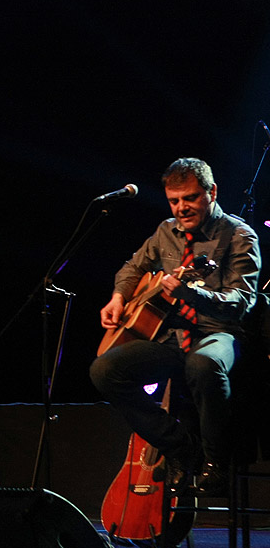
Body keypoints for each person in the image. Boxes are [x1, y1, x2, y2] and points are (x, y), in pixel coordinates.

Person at [90, 158, 261, 495]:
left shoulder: (239, 235)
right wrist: (118, 297)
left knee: (204, 362)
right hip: (171, 337)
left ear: (211, 193)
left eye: (191, 198)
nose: (182, 208)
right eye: (174, 200)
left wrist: (192, 293)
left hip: (219, 333)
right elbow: (131, 267)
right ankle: (182, 447)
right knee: (105, 370)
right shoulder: (166, 232)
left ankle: (216, 463)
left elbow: (242, 302)